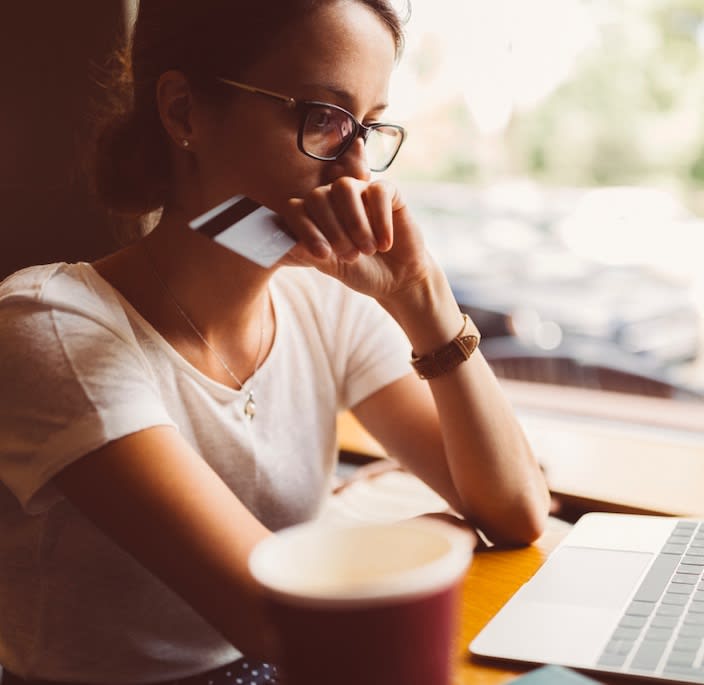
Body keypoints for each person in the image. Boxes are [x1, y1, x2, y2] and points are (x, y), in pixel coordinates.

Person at [0, 1, 551, 683]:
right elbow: (277, 617)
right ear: (183, 113)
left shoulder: (322, 300)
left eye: (369, 129)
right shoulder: (52, 327)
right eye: (322, 118)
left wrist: (421, 295)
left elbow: (518, 509)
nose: (357, 176)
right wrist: (430, 539)